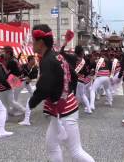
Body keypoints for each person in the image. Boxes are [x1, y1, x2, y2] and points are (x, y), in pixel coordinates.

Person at [28, 24, 95, 162]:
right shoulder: (56, 56)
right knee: (52, 145)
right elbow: (73, 76)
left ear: (40, 43)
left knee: (76, 152)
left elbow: (43, 87)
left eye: (33, 41)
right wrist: (68, 92)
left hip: (64, 111)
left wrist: (31, 102)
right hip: (62, 108)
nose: (31, 43)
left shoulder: (48, 60)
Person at [18, 55, 39, 126]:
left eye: (35, 60)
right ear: (29, 60)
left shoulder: (35, 68)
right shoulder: (24, 66)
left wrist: (30, 78)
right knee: (15, 95)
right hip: (21, 82)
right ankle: (21, 111)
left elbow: (35, 76)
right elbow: (19, 72)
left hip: (28, 83)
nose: (34, 61)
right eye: (33, 60)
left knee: (32, 96)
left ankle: (26, 117)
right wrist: (22, 76)